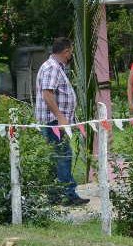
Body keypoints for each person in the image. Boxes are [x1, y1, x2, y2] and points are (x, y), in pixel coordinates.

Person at [35, 37, 88, 206]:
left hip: (56, 122)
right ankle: (68, 195)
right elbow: (47, 94)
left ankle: (56, 194)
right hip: (54, 122)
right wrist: (60, 117)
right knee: (63, 156)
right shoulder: (51, 67)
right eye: (70, 51)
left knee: (58, 157)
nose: (71, 55)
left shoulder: (56, 67)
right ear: (66, 51)